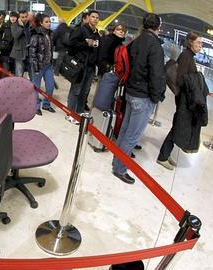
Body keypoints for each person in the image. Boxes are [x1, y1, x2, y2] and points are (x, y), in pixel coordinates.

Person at [112, 13, 166, 184]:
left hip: (131, 92)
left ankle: (116, 161)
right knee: (132, 136)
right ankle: (120, 169)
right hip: (143, 97)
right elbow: (157, 75)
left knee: (125, 131)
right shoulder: (155, 46)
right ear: (158, 27)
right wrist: (157, 97)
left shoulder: (135, 41)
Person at [157, 32, 207, 170]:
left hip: (186, 99)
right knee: (178, 127)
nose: (201, 46)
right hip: (184, 100)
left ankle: (165, 154)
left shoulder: (189, 56)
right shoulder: (186, 56)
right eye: (199, 43)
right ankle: (162, 157)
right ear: (190, 42)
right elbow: (180, 79)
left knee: (177, 126)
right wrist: (195, 81)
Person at [66, 10, 101, 123]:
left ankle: (79, 111)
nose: (95, 19)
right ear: (88, 18)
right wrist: (86, 43)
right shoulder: (81, 30)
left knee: (84, 91)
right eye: (93, 17)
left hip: (90, 67)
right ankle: (70, 113)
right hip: (80, 65)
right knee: (76, 90)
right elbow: (71, 44)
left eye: (97, 17)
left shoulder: (96, 33)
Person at [30, 14, 56, 116]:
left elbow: (50, 50)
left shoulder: (51, 34)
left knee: (50, 86)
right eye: (46, 21)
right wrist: (35, 67)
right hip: (38, 65)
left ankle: (46, 104)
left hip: (48, 65)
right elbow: (32, 53)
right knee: (36, 87)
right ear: (41, 23)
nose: (49, 23)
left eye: (49, 21)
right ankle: (35, 106)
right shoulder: (36, 34)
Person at [10, 10, 31, 78]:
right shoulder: (14, 25)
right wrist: (21, 27)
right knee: (19, 72)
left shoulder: (29, 25)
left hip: (29, 51)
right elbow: (15, 36)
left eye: (26, 17)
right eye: (22, 17)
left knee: (31, 72)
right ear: (19, 18)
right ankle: (18, 87)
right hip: (19, 51)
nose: (24, 19)